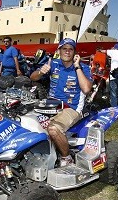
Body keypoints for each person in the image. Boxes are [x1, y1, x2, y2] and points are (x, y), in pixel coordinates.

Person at [30, 38, 92, 166]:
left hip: (71, 108)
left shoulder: (82, 67)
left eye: (71, 49)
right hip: (50, 106)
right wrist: (41, 72)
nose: (67, 52)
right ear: (59, 50)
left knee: (53, 128)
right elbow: (32, 77)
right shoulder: (53, 63)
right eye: (64, 49)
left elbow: (86, 89)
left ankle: (66, 158)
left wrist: (77, 67)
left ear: (74, 52)